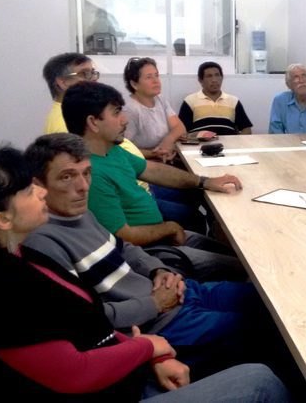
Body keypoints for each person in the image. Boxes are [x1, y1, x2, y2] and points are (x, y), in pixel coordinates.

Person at [0, 147, 288, 402]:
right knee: (259, 381)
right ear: (1, 219)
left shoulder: (14, 259)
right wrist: (147, 348)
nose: (42, 192)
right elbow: (75, 373)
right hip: (100, 391)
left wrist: (146, 354)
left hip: (122, 374)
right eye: (28, 190)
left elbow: (86, 325)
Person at [22, 133, 283, 380]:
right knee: (265, 328)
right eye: (67, 177)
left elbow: (124, 248)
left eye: (87, 173)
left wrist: (158, 270)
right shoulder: (43, 244)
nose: (82, 186)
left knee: (269, 302)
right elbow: (90, 320)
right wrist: (155, 304)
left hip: (177, 293)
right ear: (38, 184)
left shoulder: (81, 214)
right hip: (161, 322)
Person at [62, 81, 246, 281]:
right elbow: (123, 235)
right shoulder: (91, 174)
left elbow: (153, 170)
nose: (125, 120)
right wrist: (169, 227)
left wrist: (205, 181)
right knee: (245, 269)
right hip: (152, 251)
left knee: (239, 254)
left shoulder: (111, 150)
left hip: (162, 236)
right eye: (116, 113)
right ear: (93, 123)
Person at [42, 52, 151, 193]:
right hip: (130, 192)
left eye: (93, 73)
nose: (94, 80)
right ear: (63, 83)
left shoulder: (79, 110)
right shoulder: (64, 124)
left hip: (140, 179)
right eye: (84, 74)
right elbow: (96, 176)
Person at [122, 57, 187, 162]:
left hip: (166, 156)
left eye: (156, 75)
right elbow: (123, 149)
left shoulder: (160, 99)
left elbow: (179, 127)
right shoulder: (129, 110)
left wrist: (167, 143)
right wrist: (156, 153)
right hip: (143, 162)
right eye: (149, 77)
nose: (156, 81)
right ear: (134, 84)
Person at [178, 62, 253, 138]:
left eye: (217, 75)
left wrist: (236, 142)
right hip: (200, 144)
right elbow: (181, 132)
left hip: (228, 143)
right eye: (209, 76)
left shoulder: (233, 101)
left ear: (222, 78)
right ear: (200, 80)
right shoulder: (190, 101)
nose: (214, 80)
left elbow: (246, 129)